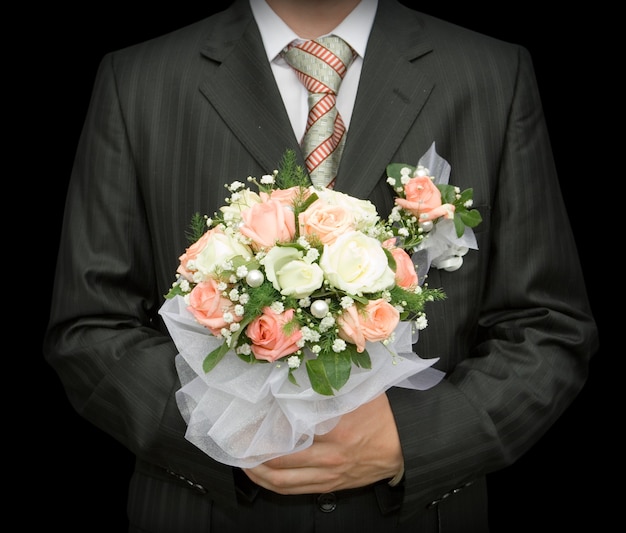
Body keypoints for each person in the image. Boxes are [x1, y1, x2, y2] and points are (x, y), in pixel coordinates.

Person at [43, 0, 599, 532]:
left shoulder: (489, 73)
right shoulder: (139, 78)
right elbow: (90, 326)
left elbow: (548, 326)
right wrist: (226, 432)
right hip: (205, 514)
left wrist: (412, 439)